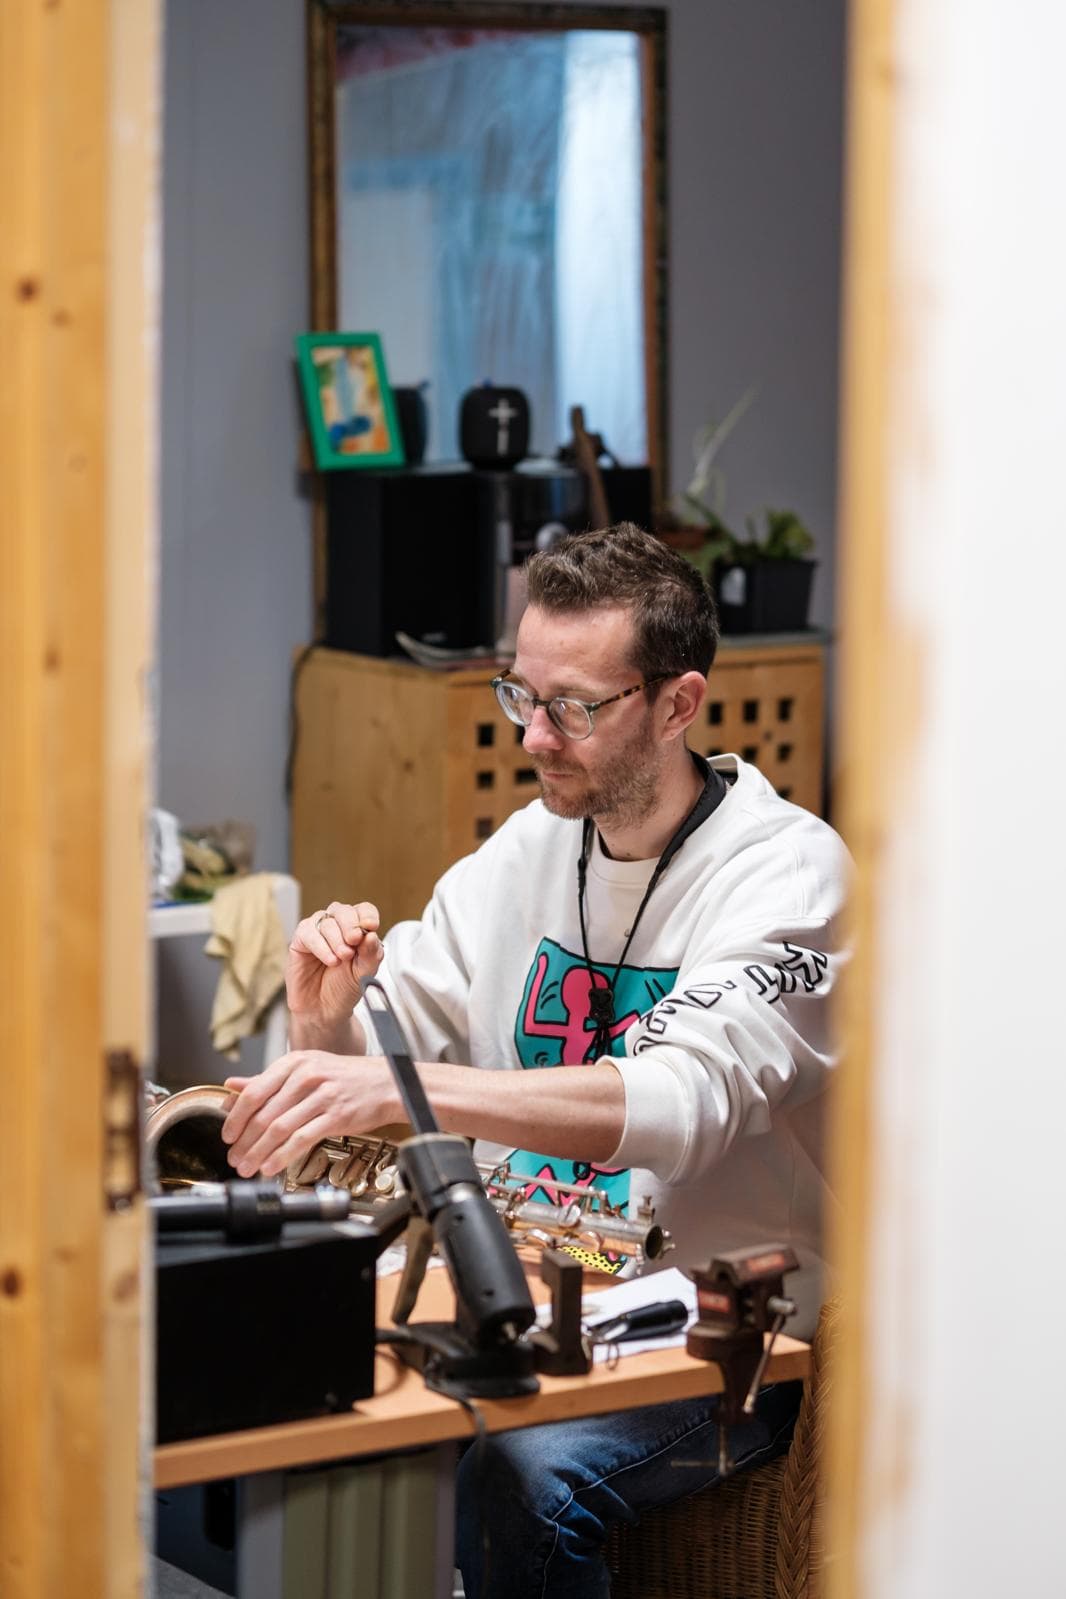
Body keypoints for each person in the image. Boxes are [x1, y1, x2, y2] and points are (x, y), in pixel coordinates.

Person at [221, 523, 849, 1599]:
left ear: (677, 703)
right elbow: (380, 1052)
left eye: (575, 708)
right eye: (523, 695)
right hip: (546, 1299)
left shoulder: (788, 876)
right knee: (295, 1383)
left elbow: (681, 1097)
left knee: (528, 1476)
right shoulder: (526, 849)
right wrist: (328, 1023)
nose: (536, 737)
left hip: (735, 1346)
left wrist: (397, 1086)